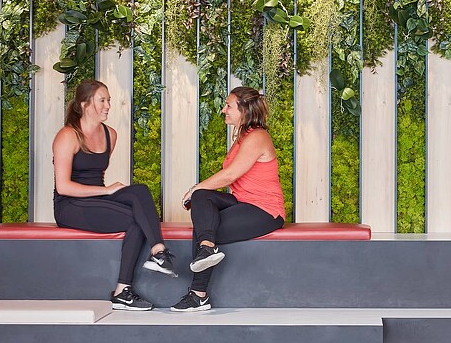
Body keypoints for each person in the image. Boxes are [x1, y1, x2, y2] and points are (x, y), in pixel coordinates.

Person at [53, 79, 177, 311]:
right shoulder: (67, 135)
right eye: (102, 100)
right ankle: (124, 291)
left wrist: (106, 192)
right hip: (70, 205)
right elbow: (63, 187)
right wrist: (107, 190)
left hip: (97, 200)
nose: (108, 105)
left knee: (139, 190)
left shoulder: (110, 134)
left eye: (109, 100)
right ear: (85, 104)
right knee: (135, 219)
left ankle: (158, 252)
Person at [170, 86, 286, 312]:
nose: (224, 109)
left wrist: (193, 188)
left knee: (204, 226)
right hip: (243, 202)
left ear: (244, 110)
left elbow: (231, 174)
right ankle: (207, 252)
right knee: (203, 200)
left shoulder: (258, 137)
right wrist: (198, 191)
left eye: (228, 105)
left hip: (265, 211)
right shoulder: (242, 137)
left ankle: (198, 295)